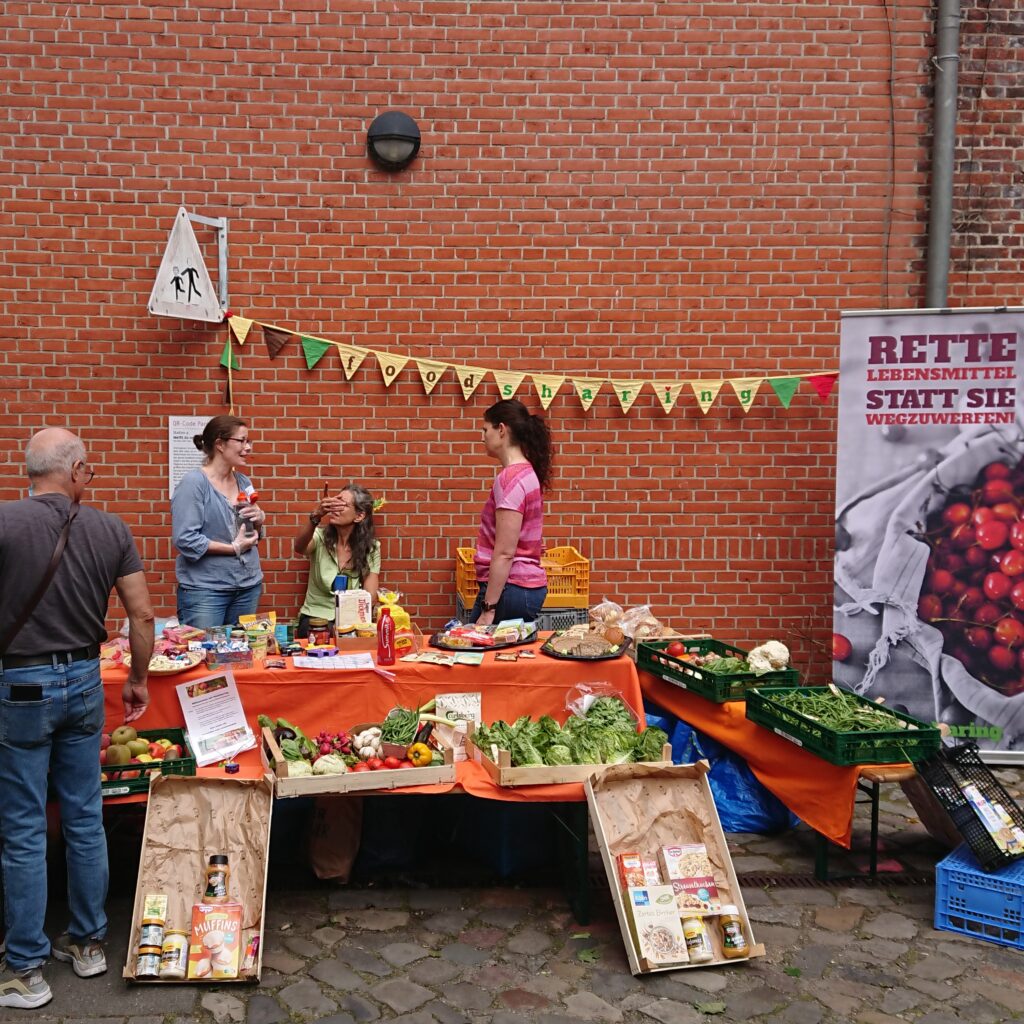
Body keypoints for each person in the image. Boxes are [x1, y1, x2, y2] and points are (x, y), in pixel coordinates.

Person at [0, 428, 154, 1010]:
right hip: (86, 679)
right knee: (86, 817)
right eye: (88, 469)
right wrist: (138, 679)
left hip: (20, 683)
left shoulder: (5, 522)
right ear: (75, 469)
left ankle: (26, 967)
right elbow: (142, 615)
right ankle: (89, 944)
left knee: (23, 826)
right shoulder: (110, 528)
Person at [171, 415, 266, 630]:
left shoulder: (244, 481)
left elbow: (251, 534)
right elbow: (185, 539)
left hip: (247, 585)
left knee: (240, 653)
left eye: (248, 441)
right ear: (220, 444)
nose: (248, 447)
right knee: (205, 654)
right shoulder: (194, 483)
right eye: (241, 441)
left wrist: (259, 520)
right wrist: (232, 548)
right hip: (206, 590)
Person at [470, 399, 552, 626]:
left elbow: (505, 552)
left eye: (485, 429)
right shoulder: (528, 473)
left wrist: (489, 608)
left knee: (476, 655)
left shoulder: (508, 479)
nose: (482, 436)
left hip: (510, 588)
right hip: (522, 587)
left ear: (502, 429)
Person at [293, 483, 381, 638]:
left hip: (351, 620)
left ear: (359, 516)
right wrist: (316, 516)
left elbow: (370, 595)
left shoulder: (371, 548)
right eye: (334, 503)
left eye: (342, 505)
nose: (335, 509)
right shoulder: (319, 537)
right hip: (315, 618)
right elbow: (300, 548)